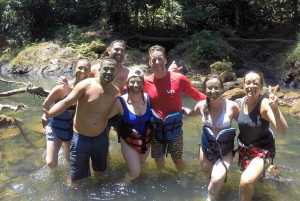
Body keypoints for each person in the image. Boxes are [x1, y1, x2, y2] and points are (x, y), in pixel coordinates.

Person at [43, 58, 119, 183]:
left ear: (116, 72)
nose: (108, 72)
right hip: (81, 138)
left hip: (100, 138)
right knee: (76, 177)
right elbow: (66, 102)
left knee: (100, 172)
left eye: (112, 70)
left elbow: (117, 113)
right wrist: (49, 114)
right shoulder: (86, 85)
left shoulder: (115, 92)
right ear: (99, 70)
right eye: (106, 68)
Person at [143, 45, 207, 175]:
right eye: (153, 60)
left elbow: (196, 95)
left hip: (175, 128)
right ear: (150, 62)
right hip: (156, 129)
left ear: (165, 60)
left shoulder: (179, 79)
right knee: (158, 159)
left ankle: (181, 177)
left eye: (160, 59)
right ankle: (162, 177)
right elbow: (132, 96)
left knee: (177, 159)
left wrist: (217, 102)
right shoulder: (145, 82)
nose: (157, 62)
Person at [182, 74, 240, 201]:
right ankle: (212, 191)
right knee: (207, 174)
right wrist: (177, 108)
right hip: (206, 148)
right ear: (204, 89)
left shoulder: (231, 106)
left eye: (216, 87)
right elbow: (191, 113)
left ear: (222, 89)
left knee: (216, 178)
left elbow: (245, 124)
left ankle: (209, 198)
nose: (212, 91)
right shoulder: (202, 105)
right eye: (209, 88)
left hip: (225, 151)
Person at [237, 70, 287, 201]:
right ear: (243, 85)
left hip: (262, 151)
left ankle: (268, 167)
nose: (251, 86)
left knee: (246, 181)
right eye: (248, 83)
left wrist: (275, 108)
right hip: (245, 150)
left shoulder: (264, 104)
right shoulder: (242, 102)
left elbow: (282, 130)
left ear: (261, 86)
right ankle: (270, 171)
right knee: (254, 182)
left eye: (255, 83)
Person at [41, 58, 91, 168]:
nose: (82, 71)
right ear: (74, 69)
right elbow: (45, 105)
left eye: (85, 69)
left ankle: (64, 148)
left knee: (69, 160)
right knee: (51, 164)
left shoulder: (89, 90)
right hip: (55, 126)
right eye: (80, 68)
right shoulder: (63, 88)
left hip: (71, 130)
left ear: (89, 72)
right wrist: (45, 116)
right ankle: (54, 147)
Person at [108, 68, 152, 185]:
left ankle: (130, 176)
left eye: (138, 81)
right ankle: (121, 186)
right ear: (127, 84)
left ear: (143, 83)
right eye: (132, 82)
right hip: (128, 141)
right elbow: (105, 117)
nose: (135, 85)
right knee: (135, 173)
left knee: (138, 165)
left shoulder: (148, 98)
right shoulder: (120, 102)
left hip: (145, 140)